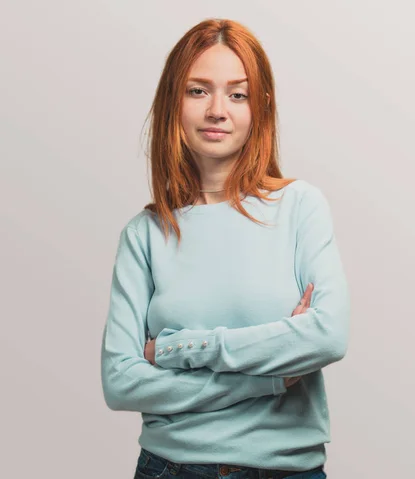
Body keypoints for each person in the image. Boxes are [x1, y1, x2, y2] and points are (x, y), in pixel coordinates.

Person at [100, 17, 350, 479]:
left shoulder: (299, 208)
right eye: (198, 91)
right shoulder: (145, 234)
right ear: (174, 101)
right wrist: (269, 377)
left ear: (261, 107)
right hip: (171, 469)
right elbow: (120, 382)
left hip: (288, 471)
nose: (218, 110)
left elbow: (327, 335)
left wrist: (177, 350)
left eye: (238, 94)